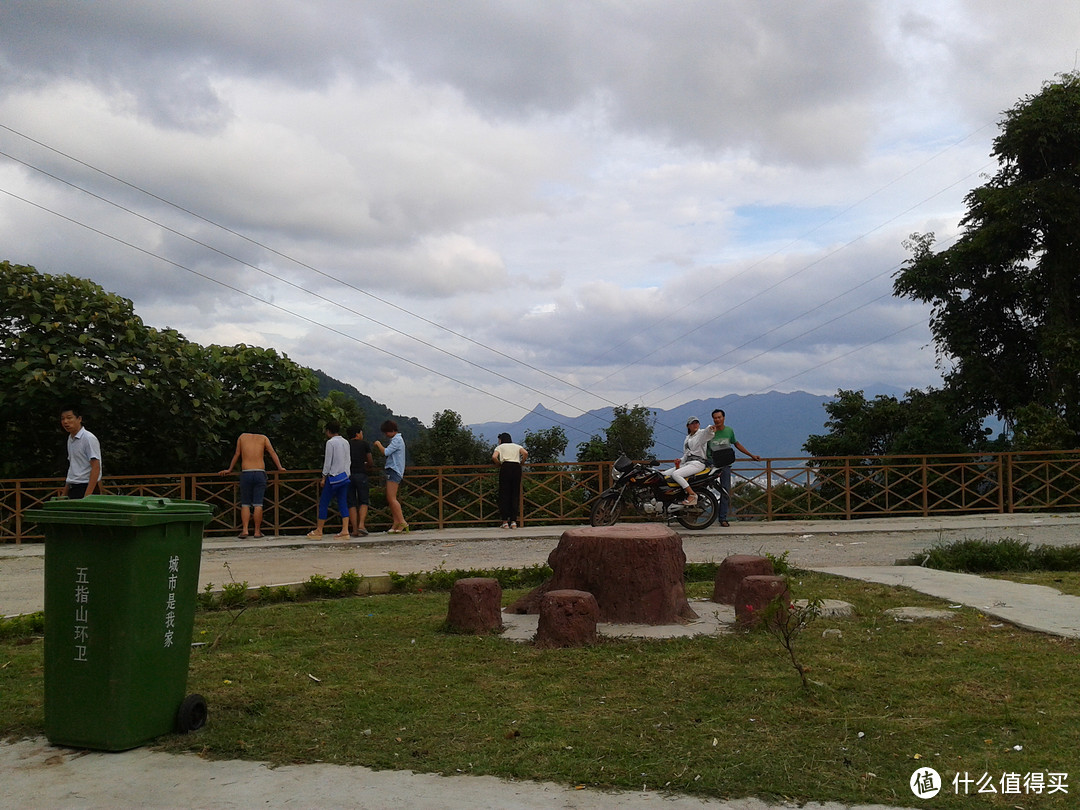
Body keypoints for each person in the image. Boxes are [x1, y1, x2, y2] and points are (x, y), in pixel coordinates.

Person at [219, 433, 286, 539]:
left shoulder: (242, 437)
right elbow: (272, 452)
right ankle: (257, 531)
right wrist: (280, 467)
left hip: (246, 472)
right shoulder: (264, 438)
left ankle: (245, 530)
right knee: (258, 504)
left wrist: (229, 469)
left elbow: (237, 454)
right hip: (260, 472)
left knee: (245, 504)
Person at [708, 408, 761, 527]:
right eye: (715, 418)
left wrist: (751, 455)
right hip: (711, 463)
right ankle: (704, 516)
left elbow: (736, 444)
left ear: (723, 418)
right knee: (702, 487)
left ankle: (723, 518)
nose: (717, 420)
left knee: (725, 490)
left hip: (725, 463)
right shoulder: (710, 432)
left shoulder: (729, 431)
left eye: (719, 417)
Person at [307, 421, 351, 539]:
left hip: (333, 477)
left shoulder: (330, 443)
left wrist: (324, 476)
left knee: (324, 503)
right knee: (342, 502)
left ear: (328, 431)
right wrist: (347, 474)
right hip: (344, 477)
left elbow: (328, 461)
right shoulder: (346, 442)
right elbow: (348, 460)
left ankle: (319, 530)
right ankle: (345, 530)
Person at [662, 416, 712, 505]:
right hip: (688, 463)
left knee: (676, 474)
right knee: (663, 475)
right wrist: (679, 461)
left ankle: (692, 495)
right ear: (688, 426)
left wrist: (710, 428)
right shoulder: (687, 438)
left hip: (698, 463)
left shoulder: (701, 434)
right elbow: (686, 455)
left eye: (696, 423)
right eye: (692, 423)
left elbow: (707, 433)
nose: (695, 425)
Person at [372, 419, 408, 534]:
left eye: (387, 432)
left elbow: (386, 452)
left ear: (392, 430)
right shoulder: (396, 439)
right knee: (390, 498)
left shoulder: (397, 440)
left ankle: (402, 522)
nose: (386, 435)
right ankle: (396, 522)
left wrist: (378, 444)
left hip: (394, 470)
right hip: (393, 470)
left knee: (392, 498)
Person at [59, 406, 101, 499]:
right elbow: (73, 467)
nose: (65, 422)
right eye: (63, 419)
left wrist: (87, 496)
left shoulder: (88, 438)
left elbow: (96, 467)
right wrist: (64, 493)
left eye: (69, 418)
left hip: (86, 487)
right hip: (73, 487)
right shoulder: (70, 438)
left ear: (79, 419)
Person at [492, 432, 528, 529]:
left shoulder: (500, 447)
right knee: (515, 494)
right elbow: (525, 453)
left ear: (501, 440)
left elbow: (494, 457)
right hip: (516, 468)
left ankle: (504, 522)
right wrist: (522, 462)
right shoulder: (517, 446)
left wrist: (499, 464)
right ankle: (513, 522)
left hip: (505, 467)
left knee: (504, 494)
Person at [347, 425, 374, 537]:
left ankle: (354, 529)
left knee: (351, 502)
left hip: (348, 475)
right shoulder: (364, 444)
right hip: (361, 474)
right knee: (363, 500)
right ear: (358, 434)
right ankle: (361, 525)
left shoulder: (346, 444)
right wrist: (367, 465)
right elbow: (370, 461)